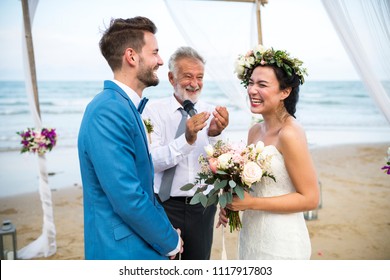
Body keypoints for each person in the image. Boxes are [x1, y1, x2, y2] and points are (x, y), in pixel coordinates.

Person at [78, 16, 183, 260]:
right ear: (132, 56)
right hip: (122, 251)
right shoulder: (108, 110)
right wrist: (170, 241)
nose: (160, 61)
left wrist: (166, 231)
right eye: (155, 52)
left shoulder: (123, 106)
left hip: (138, 243)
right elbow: (128, 197)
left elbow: (143, 188)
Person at [217, 45, 319, 260]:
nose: (252, 90)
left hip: (282, 241)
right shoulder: (255, 130)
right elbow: (253, 186)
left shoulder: (289, 133)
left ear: (285, 91)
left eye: (262, 84)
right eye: (251, 83)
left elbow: (310, 199)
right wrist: (232, 201)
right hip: (252, 236)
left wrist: (251, 203)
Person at [142, 46, 229, 260]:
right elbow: (151, 162)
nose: (195, 83)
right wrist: (187, 140)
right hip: (164, 204)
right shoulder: (153, 111)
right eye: (188, 76)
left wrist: (216, 135)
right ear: (171, 78)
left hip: (203, 206)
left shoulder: (212, 112)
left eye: (200, 77)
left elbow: (222, 164)